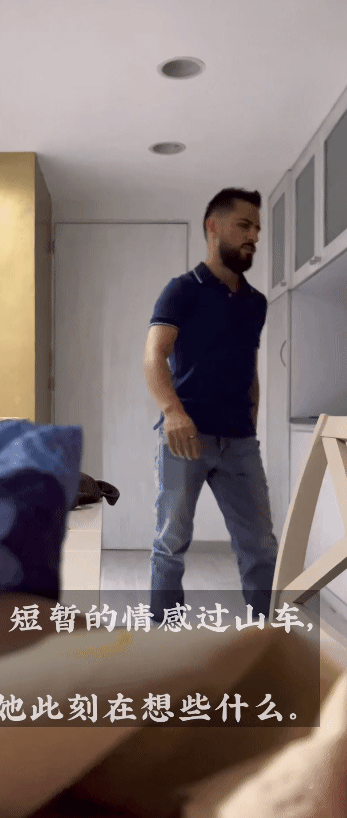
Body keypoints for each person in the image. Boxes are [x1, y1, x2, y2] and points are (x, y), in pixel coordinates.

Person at [143, 187, 278, 623]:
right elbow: (154, 354)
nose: (254, 236)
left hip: (240, 441)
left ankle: (264, 636)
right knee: (171, 542)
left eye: (257, 228)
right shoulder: (182, 291)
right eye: (244, 226)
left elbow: (249, 365)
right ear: (213, 227)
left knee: (260, 546)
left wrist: (251, 419)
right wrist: (172, 412)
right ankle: (166, 631)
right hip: (186, 437)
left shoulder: (256, 303)